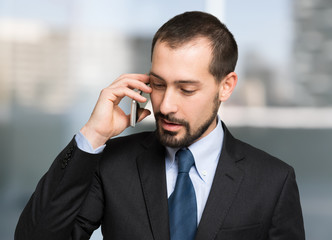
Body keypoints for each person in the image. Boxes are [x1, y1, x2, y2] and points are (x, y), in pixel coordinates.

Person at [15, 11, 305, 240]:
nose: (165, 106)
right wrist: (94, 134)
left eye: (187, 89)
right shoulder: (112, 163)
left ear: (226, 86)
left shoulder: (273, 181)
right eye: (157, 84)